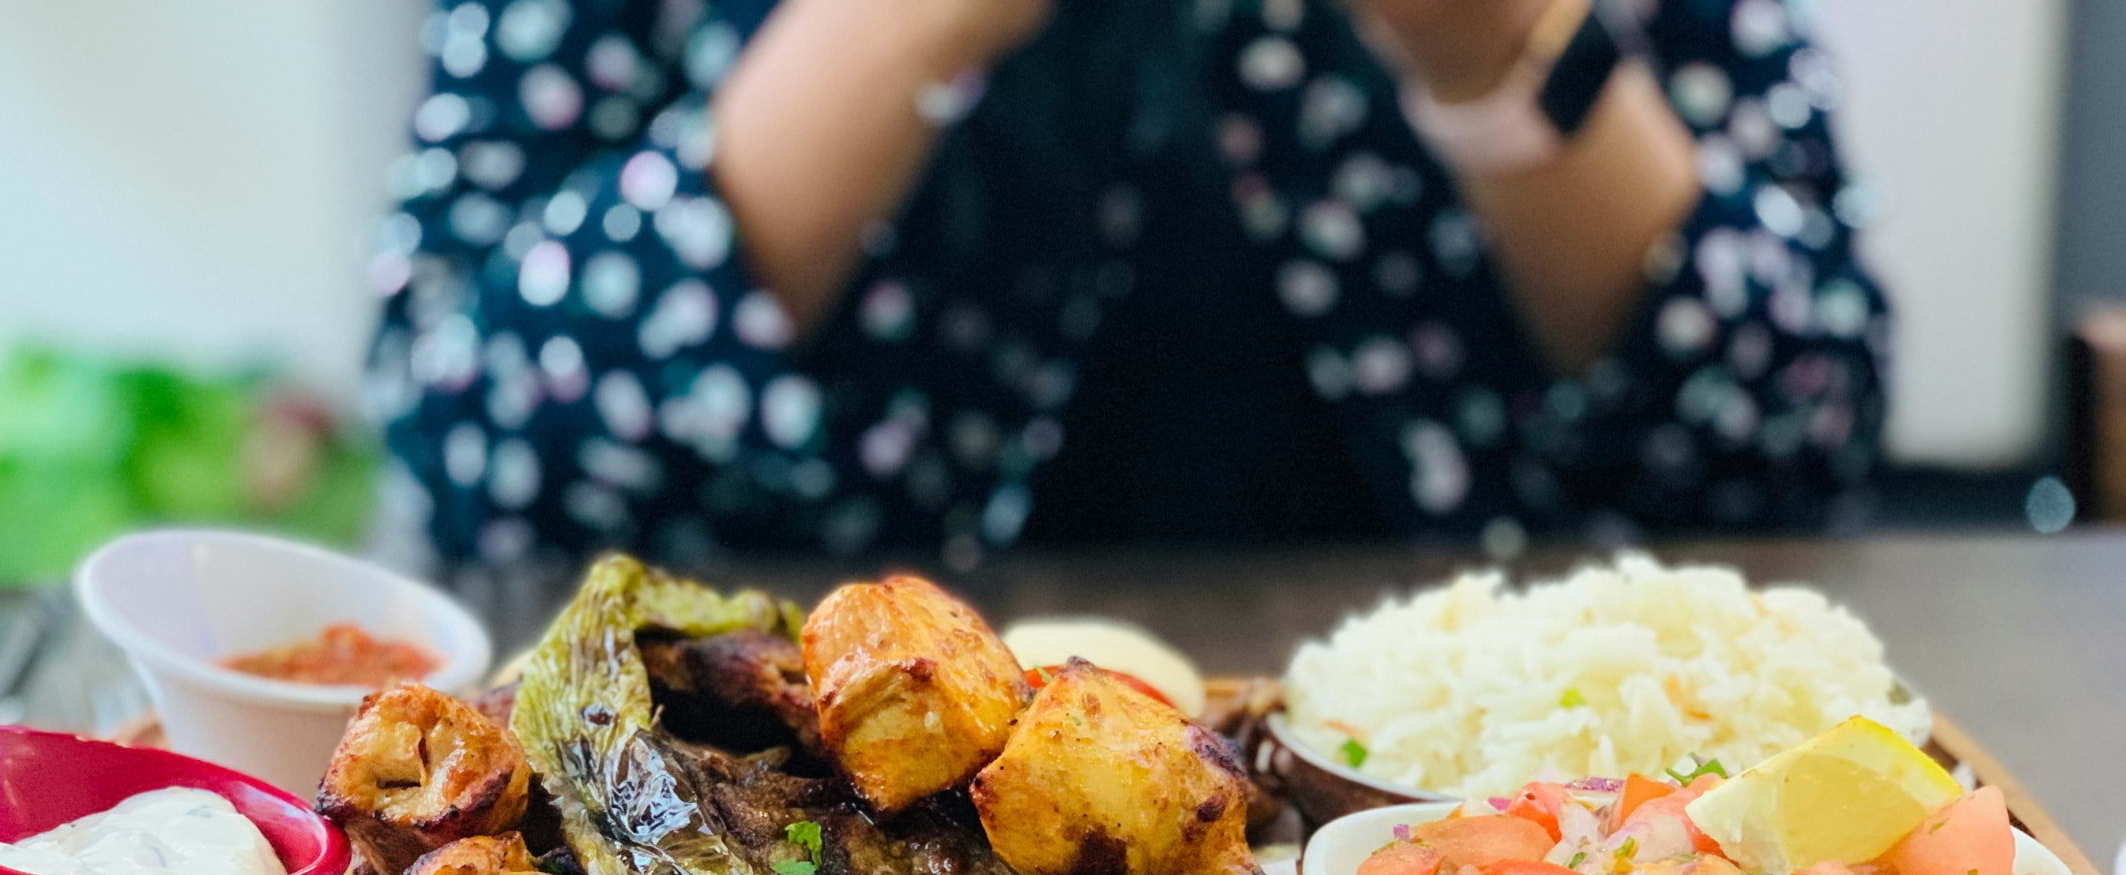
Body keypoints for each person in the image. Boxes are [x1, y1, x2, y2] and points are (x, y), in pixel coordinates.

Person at [369, 0, 1886, 576]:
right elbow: (484, 472)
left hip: (1502, 840)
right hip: (793, 847)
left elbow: (1793, 451)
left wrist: (1494, 43)